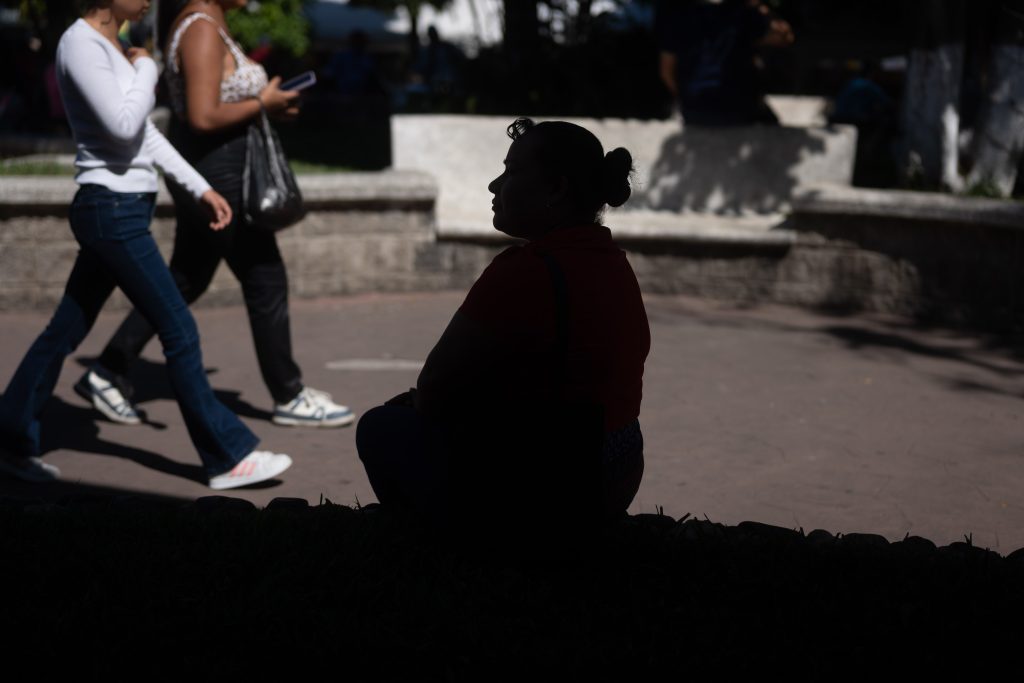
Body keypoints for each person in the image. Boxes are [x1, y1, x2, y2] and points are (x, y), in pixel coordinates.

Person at [0, 0, 291, 489]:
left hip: (122, 209)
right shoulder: (80, 43)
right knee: (179, 328)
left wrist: (200, 188)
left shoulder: (111, 47)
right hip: (109, 212)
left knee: (63, 332)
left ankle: (8, 439)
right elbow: (120, 125)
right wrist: (149, 67)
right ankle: (227, 457)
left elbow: (145, 136)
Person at [356, 118, 650, 528]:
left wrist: (423, 405)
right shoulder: (613, 263)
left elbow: (436, 387)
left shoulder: (525, 271)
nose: (495, 186)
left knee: (381, 426)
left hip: (553, 487)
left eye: (512, 173)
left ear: (556, 189)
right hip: (615, 474)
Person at [75, 0, 354, 429]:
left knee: (187, 276)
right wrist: (264, 103)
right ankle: (289, 394)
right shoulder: (201, 26)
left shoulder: (206, 23)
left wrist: (271, 103)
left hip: (215, 165)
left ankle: (108, 370)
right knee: (265, 276)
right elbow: (203, 116)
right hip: (218, 170)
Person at [656, 0, 794, 126]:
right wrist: (758, 6)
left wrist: (685, 97)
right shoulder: (742, 11)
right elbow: (785, 37)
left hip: (694, 108)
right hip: (739, 107)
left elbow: (666, 72)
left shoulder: (676, 14)